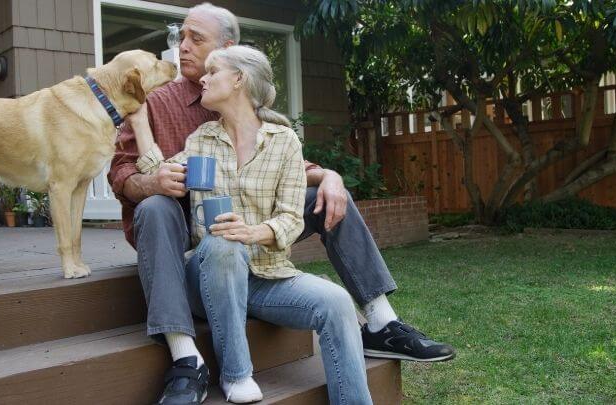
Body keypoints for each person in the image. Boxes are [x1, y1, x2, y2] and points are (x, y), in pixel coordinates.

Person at [108, 3, 455, 404]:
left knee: (327, 195)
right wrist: (152, 180)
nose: (181, 47)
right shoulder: (170, 112)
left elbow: (284, 166)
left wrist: (330, 176)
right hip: (186, 230)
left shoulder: (268, 126)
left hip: (254, 241)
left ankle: (380, 321)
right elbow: (122, 173)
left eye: (195, 39)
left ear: (231, 59)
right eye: (180, 37)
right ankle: (187, 358)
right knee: (162, 210)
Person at [132, 43, 375, 404]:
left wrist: (255, 232)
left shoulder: (285, 142)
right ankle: (236, 375)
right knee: (224, 241)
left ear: (238, 80)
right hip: (207, 278)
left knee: (338, 303)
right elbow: (155, 173)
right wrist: (138, 120)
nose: (204, 78)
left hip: (266, 277)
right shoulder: (202, 141)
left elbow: (293, 218)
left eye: (214, 71)